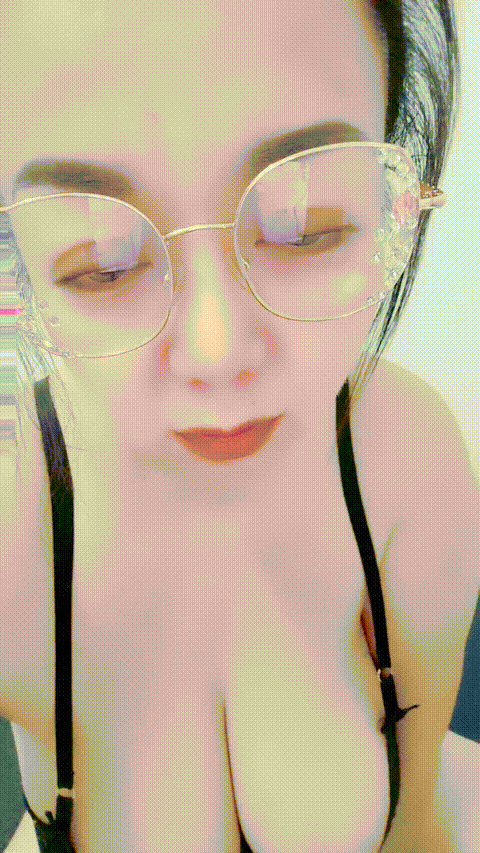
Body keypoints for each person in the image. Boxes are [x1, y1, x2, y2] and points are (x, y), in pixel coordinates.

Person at [0, 0, 478, 851]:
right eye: (102, 261)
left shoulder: (408, 458)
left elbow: (416, 815)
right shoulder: (15, 526)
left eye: (306, 225)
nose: (217, 353)